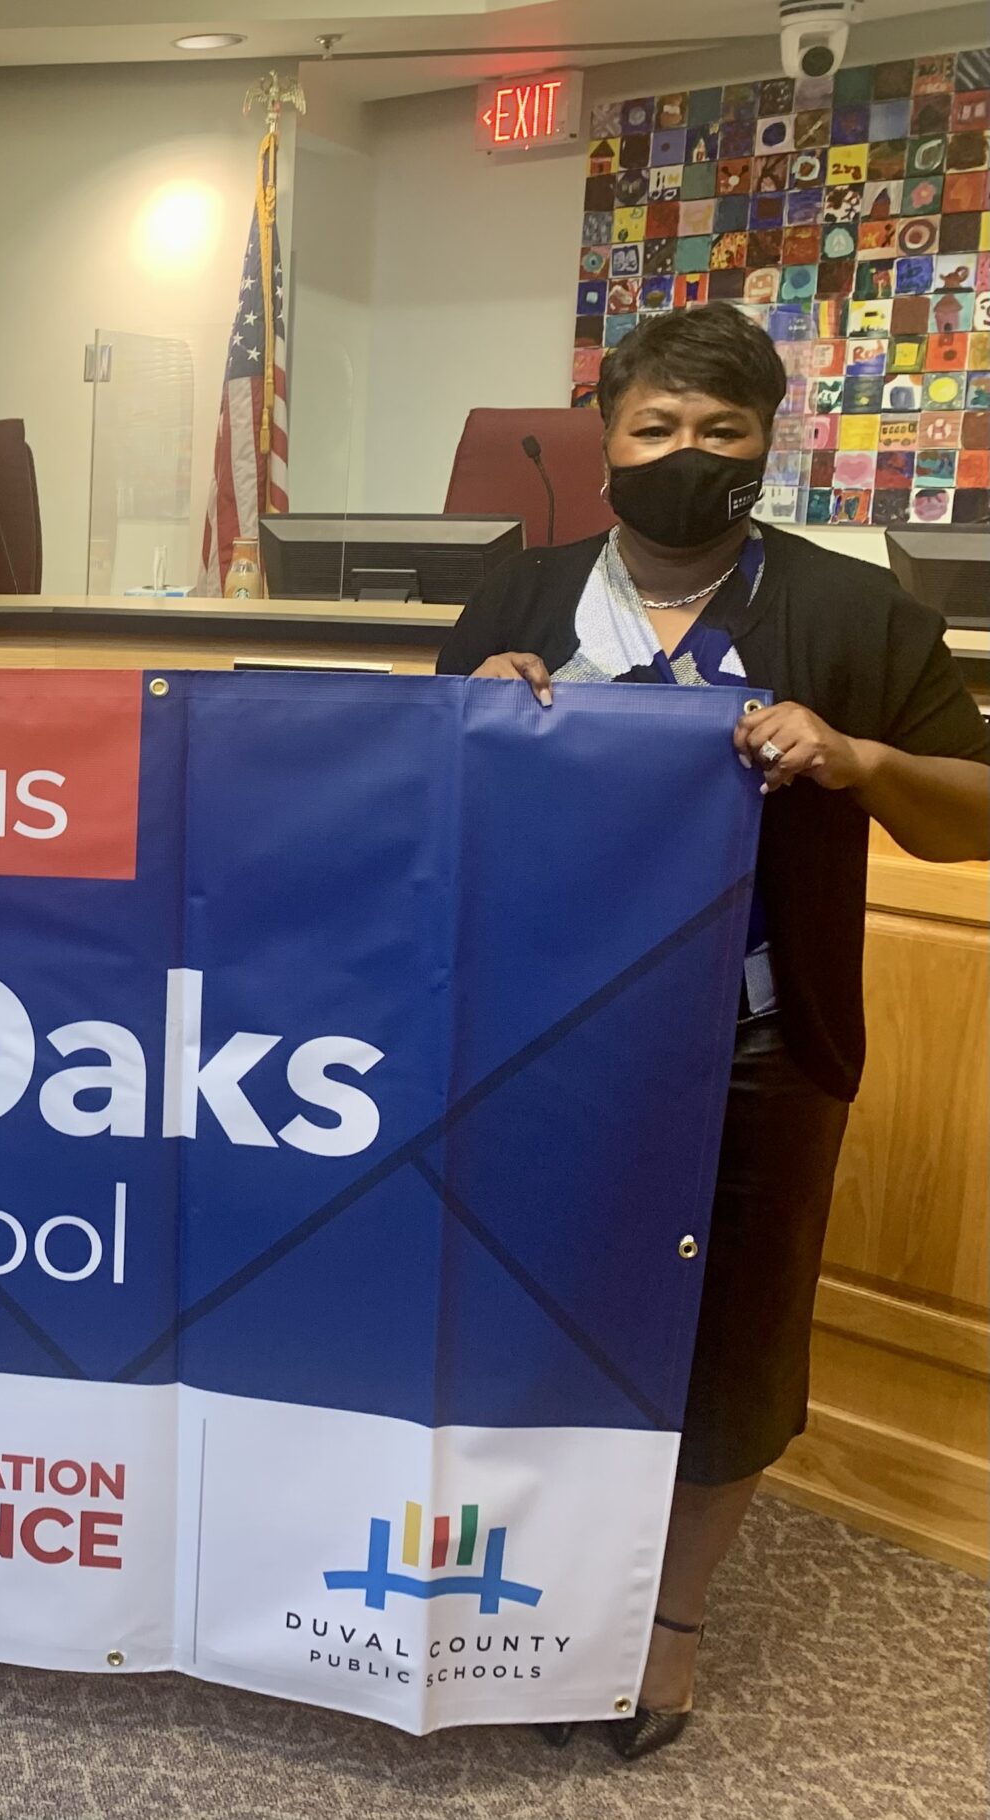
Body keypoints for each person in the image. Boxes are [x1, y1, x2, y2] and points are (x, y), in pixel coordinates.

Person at [437, 302, 988, 1759]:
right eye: (656, 429)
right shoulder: (523, 590)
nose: (686, 455)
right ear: (605, 443)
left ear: (765, 448)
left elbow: (970, 809)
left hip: (753, 1042)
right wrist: (465, 722)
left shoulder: (848, 612)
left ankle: (664, 1629)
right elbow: (416, 808)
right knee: (526, 1315)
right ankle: (530, 1595)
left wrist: (859, 757)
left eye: (720, 433)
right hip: (529, 1038)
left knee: (732, 1342)